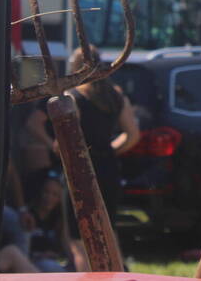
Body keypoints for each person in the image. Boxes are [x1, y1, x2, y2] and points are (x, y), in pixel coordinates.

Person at [63, 47, 141, 270]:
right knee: (108, 230)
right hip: (108, 168)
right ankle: (117, 275)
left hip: (79, 171)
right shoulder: (116, 94)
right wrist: (110, 150)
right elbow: (133, 135)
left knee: (79, 238)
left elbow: (68, 141)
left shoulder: (73, 96)